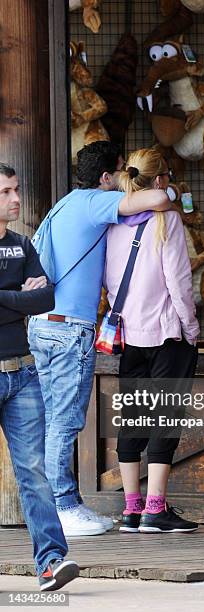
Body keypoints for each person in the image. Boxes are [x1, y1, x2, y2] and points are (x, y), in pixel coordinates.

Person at [28, 141, 170, 537]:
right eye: (121, 173)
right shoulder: (94, 201)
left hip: (42, 325)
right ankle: (64, 505)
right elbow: (157, 199)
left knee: (49, 420)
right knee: (64, 420)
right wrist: (174, 191)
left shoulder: (64, 204)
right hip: (70, 329)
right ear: (105, 177)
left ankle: (51, 504)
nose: (125, 180)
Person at [104, 148, 200, 533]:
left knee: (133, 417)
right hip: (166, 332)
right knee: (165, 417)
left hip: (129, 334)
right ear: (161, 181)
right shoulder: (167, 223)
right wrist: (191, 329)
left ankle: (131, 509)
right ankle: (155, 509)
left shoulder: (113, 222)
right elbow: (178, 283)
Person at [0, 162, 79, 591]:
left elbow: (46, 296)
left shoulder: (22, 244)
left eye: (16, 189)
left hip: (24, 373)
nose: (16, 199)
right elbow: (28, 299)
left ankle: (50, 562)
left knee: (33, 472)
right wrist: (20, 297)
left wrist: (9, 300)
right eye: (6, 192)